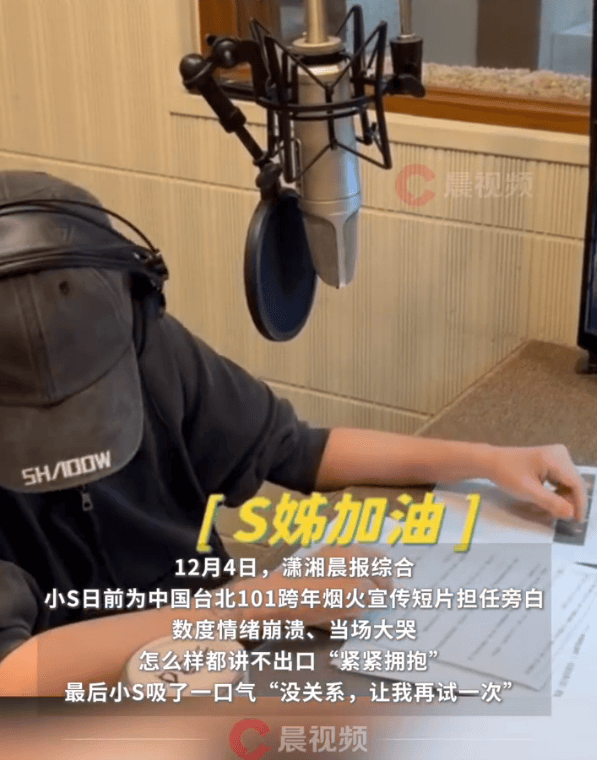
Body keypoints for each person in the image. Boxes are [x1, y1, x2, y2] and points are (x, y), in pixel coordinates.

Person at [0, 170, 587, 697]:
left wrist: (486, 459)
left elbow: (297, 450)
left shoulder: (153, 347)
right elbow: (12, 671)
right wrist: (264, 601)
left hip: (221, 664)